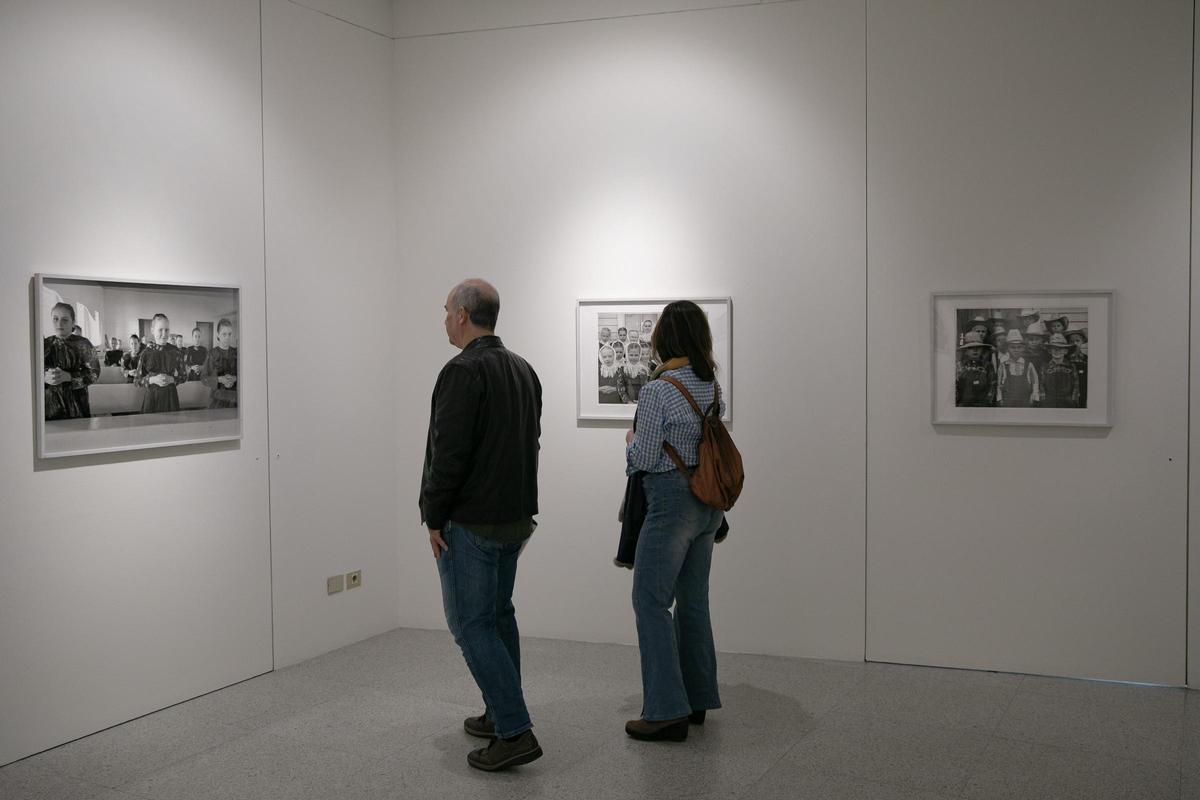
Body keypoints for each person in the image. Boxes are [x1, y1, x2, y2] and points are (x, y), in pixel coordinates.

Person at [420, 279, 543, 772]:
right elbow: (531, 441)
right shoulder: (523, 369)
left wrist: (433, 515)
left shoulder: (461, 371)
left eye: (447, 310)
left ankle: (514, 730)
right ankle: (498, 713)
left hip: (471, 519)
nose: (444, 318)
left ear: (465, 314)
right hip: (514, 516)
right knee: (497, 616)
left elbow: (447, 455)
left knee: (471, 625)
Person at [623, 300, 725, 743]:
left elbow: (643, 459)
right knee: (693, 601)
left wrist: (629, 442)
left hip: (670, 504)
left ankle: (665, 710)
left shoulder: (658, 389)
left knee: (650, 602)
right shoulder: (710, 384)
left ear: (666, 337)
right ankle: (697, 698)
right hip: (708, 504)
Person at [44, 302, 97, 420]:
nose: (59, 324)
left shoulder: (83, 344)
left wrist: (69, 377)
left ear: (73, 322)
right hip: (50, 408)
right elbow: (31, 372)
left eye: (65, 320)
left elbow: (94, 373)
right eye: (55, 319)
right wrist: (44, 376)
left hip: (77, 406)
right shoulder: (44, 344)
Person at [136, 313, 186, 413]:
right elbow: (137, 380)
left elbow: (184, 376)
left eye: (167, 330)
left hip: (170, 398)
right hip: (152, 398)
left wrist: (172, 379)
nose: (164, 334)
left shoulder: (175, 351)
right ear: (152, 330)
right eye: (160, 330)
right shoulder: (145, 353)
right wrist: (152, 380)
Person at [997, 329, 1040, 408]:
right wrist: (1000, 398)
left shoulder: (1029, 365)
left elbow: (1035, 381)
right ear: (1007, 349)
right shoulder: (1003, 365)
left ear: (1023, 348)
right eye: (1013, 347)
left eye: (1019, 347)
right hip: (1008, 400)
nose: (1016, 350)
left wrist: (1034, 395)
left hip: (1025, 400)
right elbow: (999, 384)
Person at [202, 319, 238, 408]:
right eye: (224, 334)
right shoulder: (212, 354)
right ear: (218, 335)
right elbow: (204, 378)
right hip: (217, 399)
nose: (227, 338)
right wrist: (219, 379)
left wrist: (235, 378)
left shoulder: (236, 352)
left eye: (229, 334)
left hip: (234, 399)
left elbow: (246, 375)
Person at [956, 332, 996, 407]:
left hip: (983, 404)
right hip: (964, 404)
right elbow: (956, 386)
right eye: (971, 348)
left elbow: (992, 384)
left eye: (978, 347)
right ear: (966, 351)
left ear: (982, 350)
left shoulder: (987, 366)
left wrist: (989, 401)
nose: (975, 350)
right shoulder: (960, 366)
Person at [1040, 333, 1078, 408]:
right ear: (1049, 351)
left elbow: (1076, 385)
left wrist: (1074, 400)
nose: (1057, 351)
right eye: (1054, 348)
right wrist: (1042, 400)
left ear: (1066, 351)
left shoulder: (1071, 366)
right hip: (1049, 399)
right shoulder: (1045, 367)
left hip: (1067, 399)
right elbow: (1041, 384)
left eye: (1060, 348)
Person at [617, 339, 652, 403]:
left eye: (636, 355)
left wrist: (642, 400)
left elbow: (646, 387)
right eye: (631, 355)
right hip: (628, 403)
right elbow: (621, 388)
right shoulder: (623, 369)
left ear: (639, 355)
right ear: (627, 355)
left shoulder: (643, 370)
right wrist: (628, 401)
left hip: (641, 401)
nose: (633, 357)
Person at [1066, 326, 1088, 408]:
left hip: (1082, 391)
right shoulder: (1065, 359)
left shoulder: (1086, 359)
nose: (1075, 343)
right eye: (1071, 341)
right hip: (1068, 392)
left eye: (1077, 340)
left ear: (1082, 342)